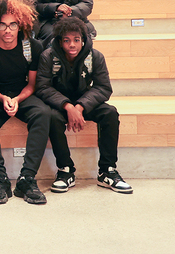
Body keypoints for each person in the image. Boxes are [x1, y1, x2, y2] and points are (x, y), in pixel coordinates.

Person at [36, 17, 133, 194]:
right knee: (50, 116)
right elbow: (43, 88)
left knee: (110, 113)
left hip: (85, 101)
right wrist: (67, 106)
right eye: (66, 41)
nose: (72, 45)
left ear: (83, 39)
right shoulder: (48, 56)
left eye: (76, 40)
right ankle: (65, 170)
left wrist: (80, 106)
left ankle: (107, 171)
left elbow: (103, 88)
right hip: (59, 104)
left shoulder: (95, 56)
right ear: (59, 41)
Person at [0, 0, 49, 205]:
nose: (8, 30)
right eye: (2, 25)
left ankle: (27, 178)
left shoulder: (32, 47)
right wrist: (4, 98)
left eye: (13, 25)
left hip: (22, 93)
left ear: (21, 25)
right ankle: (0, 177)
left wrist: (16, 98)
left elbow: (32, 85)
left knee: (43, 113)